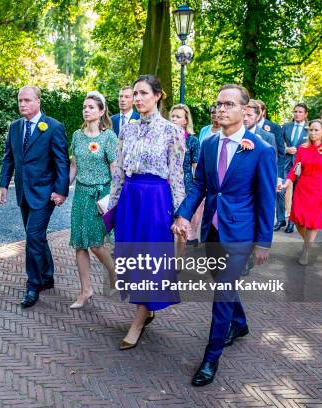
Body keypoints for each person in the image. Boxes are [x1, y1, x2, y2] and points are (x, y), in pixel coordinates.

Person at [173, 84, 276, 386]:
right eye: (219, 104)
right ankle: (240, 323)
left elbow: (267, 200)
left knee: (221, 295)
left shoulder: (261, 150)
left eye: (229, 104)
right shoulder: (208, 145)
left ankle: (211, 357)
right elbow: (200, 187)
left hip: (241, 233)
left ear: (245, 110)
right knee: (222, 284)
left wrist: (263, 242)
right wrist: (182, 213)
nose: (221, 109)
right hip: (213, 229)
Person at [109, 75, 185, 350]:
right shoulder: (126, 129)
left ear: (158, 95)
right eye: (135, 94)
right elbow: (118, 170)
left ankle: (138, 322)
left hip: (155, 200)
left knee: (149, 260)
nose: (138, 98)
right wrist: (113, 206)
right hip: (130, 198)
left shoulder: (172, 131)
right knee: (128, 256)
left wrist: (181, 213)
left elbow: (176, 176)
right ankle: (147, 307)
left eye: (143, 93)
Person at [0, 86, 70, 308]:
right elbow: (8, 158)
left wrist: (61, 190)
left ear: (38, 101)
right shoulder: (14, 127)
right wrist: (3, 185)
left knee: (32, 236)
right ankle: (47, 275)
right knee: (37, 237)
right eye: (20, 100)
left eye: (27, 100)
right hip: (22, 191)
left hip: (45, 192)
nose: (22, 104)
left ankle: (33, 284)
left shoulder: (53, 127)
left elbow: (61, 161)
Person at [68, 91, 118, 309]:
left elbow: (115, 170)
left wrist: (113, 199)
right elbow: (74, 166)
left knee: (97, 244)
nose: (86, 110)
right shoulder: (77, 136)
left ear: (101, 111)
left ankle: (115, 275)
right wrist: (63, 188)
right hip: (80, 194)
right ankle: (85, 290)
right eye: (84, 107)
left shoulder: (109, 137)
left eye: (91, 107)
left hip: (101, 195)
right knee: (80, 244)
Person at [280, 120, 322, 265]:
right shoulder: (302, 148)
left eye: (316, 130)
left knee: (313, 223)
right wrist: (287, 182)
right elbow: (295, 169)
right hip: (302, 189)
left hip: (319, 191)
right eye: (311, 130)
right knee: (298, 221)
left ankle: (305, 250)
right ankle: (309, 243)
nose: (312, 133)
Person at [169, 104, 201, 247]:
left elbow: (196, 167)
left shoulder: (192, 141)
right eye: (173, 116)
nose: (174, 119)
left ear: (186, 120)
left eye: (178, 117)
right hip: (166, 184)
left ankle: (179, 260)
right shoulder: (165, 138)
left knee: (181, 224)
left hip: (184, 185)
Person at [276, 103, 308, 234]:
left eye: (300, 112)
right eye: (295, 111)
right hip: (286, 163)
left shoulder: (310, 128)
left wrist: (300, 151)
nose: (297, 114)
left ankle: (291, 222)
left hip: (302, 166)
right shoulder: (286, 127)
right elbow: (278, 144)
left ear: (306, 114)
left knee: (296, 194)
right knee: (280, 191)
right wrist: (286, 149)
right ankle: (280, 220)